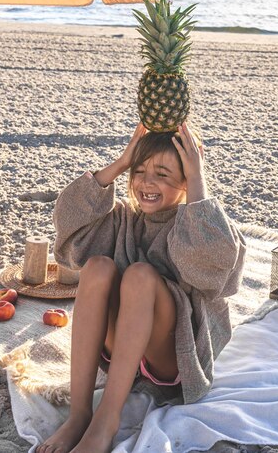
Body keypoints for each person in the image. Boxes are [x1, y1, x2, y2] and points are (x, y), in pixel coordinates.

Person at [37, 121, 246, 453]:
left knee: (140, 276)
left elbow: (216, 269)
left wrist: (197, 181)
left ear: (187, 179)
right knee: (97, 267)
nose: (148, 182)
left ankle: (106, 421)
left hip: (172, 358)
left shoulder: (200, 221)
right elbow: (69, 223)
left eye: (163, 174)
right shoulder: (123, 219)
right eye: (140, 171)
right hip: (122, 349)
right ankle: (79, 415)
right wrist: (120, 163)